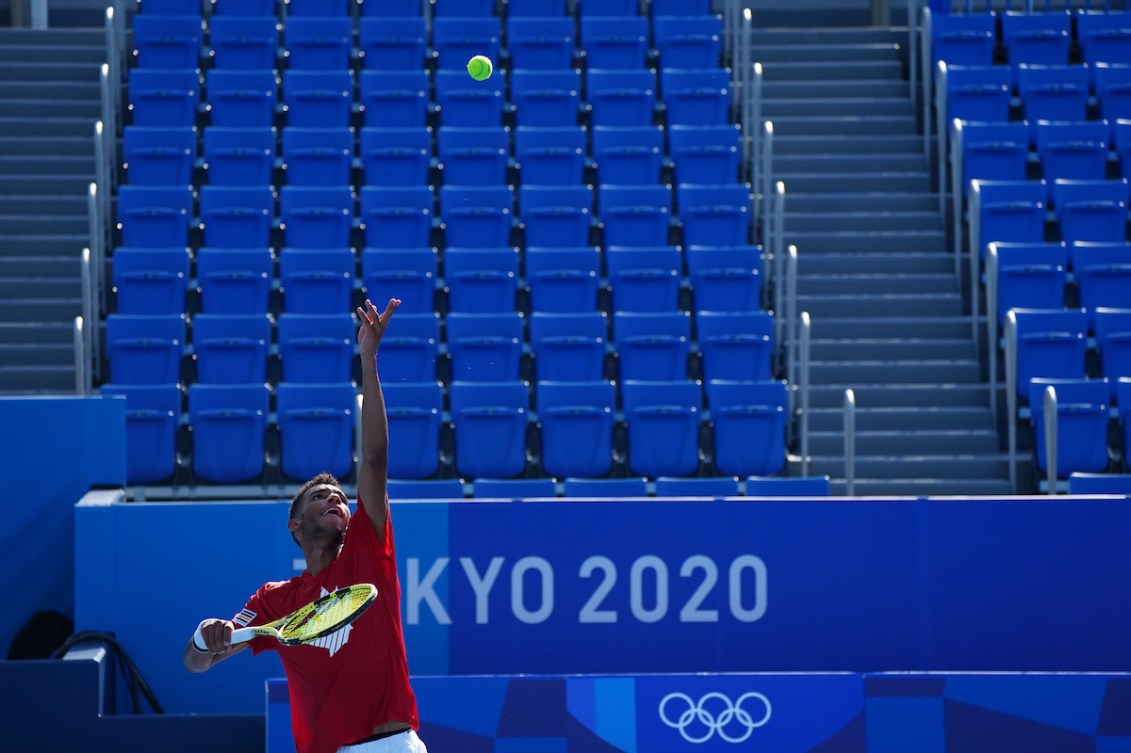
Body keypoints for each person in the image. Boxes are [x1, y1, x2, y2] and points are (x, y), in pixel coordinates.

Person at [184, 298, 427, 753]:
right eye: (321, 497)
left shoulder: (367, 553)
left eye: (340, 497)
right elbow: (198, 664)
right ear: (295, 525)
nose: (336, 499)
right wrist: (206, 636)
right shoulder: (274, 601)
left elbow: (373, 462)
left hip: (389, 746)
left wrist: (368, 360)